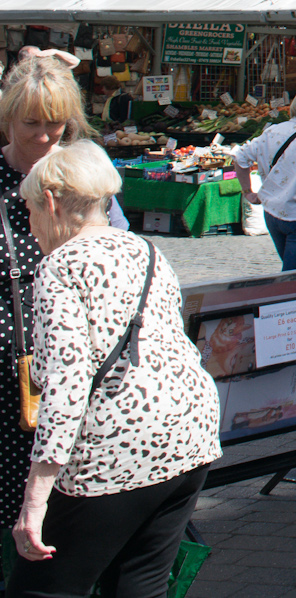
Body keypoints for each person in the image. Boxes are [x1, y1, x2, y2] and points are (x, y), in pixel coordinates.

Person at [12, 142, 219, 598]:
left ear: (49, 202)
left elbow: (65, 390)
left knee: (42, 588)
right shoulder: (145, 250)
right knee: (139, 585)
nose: (29, 225)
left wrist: (34, 502)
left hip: (116, 447)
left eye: (28, 210)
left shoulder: (60, 267)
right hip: (189, 433)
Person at [0, 57, 87, 533]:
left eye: (55, 125)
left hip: (64, 367)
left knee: (54, 508)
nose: (42, 136)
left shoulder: (78, 178)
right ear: (7, 117)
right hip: (8, 367)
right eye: (30, 123)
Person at [230, 83, 296, 271]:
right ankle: (289, 300)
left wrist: (248, 192)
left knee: (295, 270)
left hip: (272, 213)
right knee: (294, 276)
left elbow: (240, 158)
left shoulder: (272, 131)